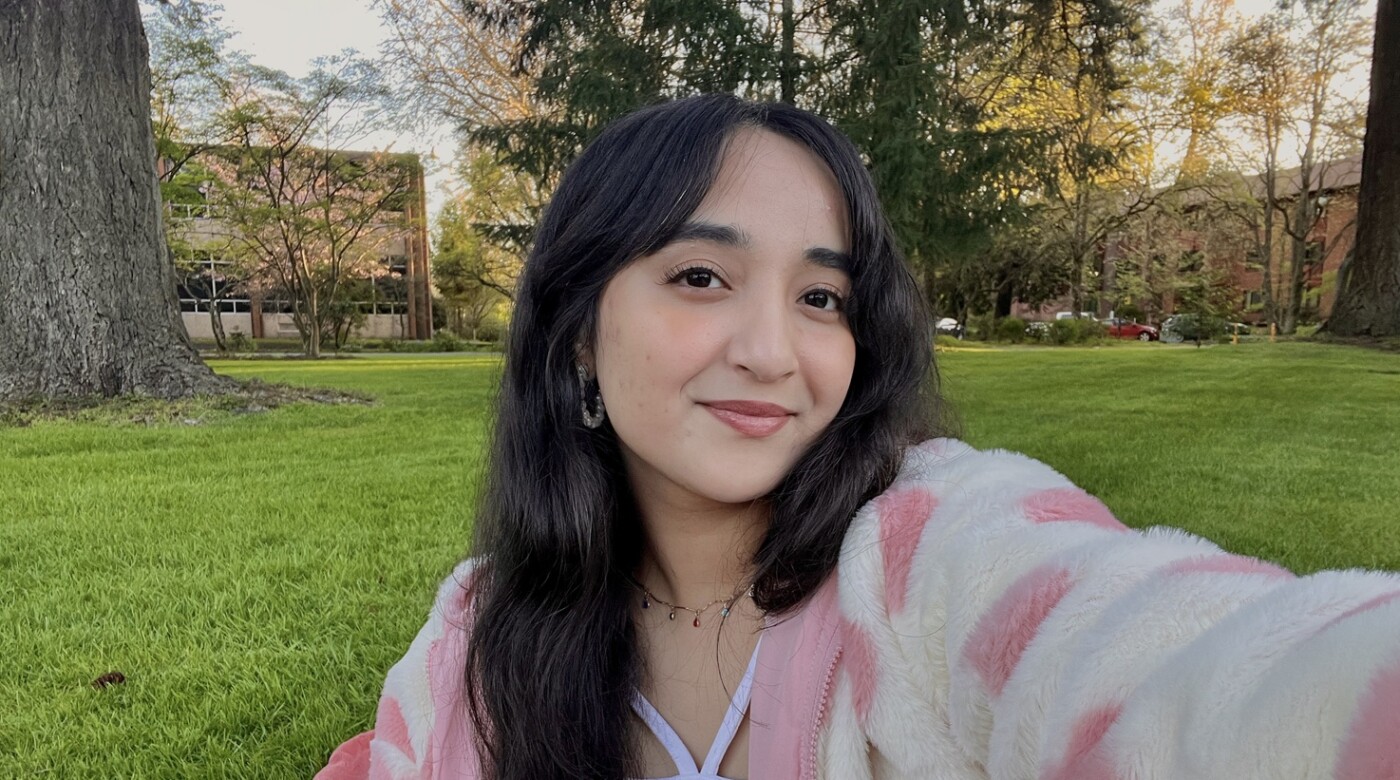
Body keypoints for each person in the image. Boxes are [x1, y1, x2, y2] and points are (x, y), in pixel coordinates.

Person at [318, 95, 1400, 780]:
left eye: (821, 298)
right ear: (576, 338)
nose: (772, 352)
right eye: (701, 277)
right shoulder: (478, 634)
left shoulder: (932, 555)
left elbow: (1198, 672)